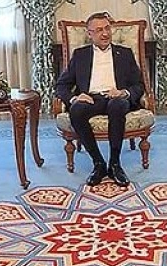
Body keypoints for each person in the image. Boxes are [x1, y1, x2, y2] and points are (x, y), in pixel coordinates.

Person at [55, 12, 144, 187]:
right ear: (89, 34)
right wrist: (74, 98)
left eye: (107, 28)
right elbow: (61, 85)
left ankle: (115, 164)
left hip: (116, 98)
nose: (105, 33)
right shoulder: (80, 55)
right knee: (77, 110)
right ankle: (98, 163)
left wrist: (124, 92)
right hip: (91, 98)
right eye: (98, 30)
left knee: (117, 106)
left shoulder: (125, 53)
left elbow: (139, 85)